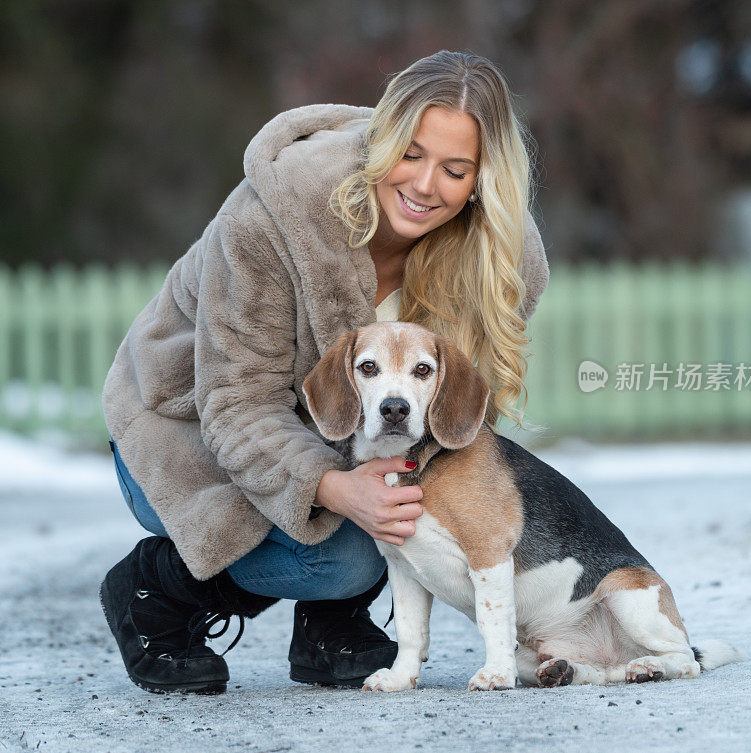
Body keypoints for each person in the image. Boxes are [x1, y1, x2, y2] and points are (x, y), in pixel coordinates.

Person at [99, 49, 550, 694]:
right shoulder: (272, 217)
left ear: (483, 179)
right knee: (337, 558)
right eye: (410, 153)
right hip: (184, 431)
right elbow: (234, 404)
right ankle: (157, 586)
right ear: (382, 138)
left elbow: (457, 407)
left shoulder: (498, 261)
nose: (425, 186)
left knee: (406, 515)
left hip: (344, 437)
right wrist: (339, 491)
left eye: (455, 169)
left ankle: (329, 631)